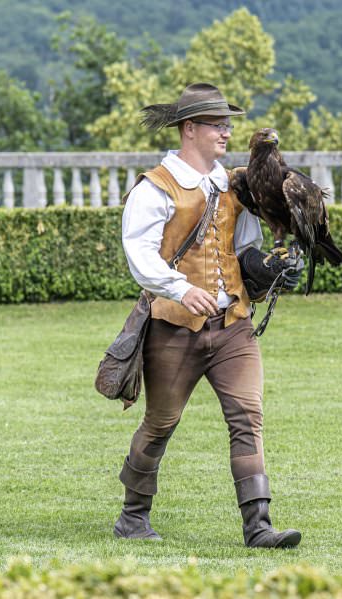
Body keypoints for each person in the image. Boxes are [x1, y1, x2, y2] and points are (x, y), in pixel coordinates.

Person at [115, 83, 303, 548]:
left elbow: (242, 249)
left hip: (234, 326)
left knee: (247, 416)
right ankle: (132, 516)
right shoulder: (154, 187)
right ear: (190, 128)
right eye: (217, 125)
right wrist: (180, 288)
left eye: (227, 124)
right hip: (174, 328)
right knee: (160, 422)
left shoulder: (233, 184)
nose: (227, 132)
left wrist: (271, 268)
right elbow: (139, 253)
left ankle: (258, 527)